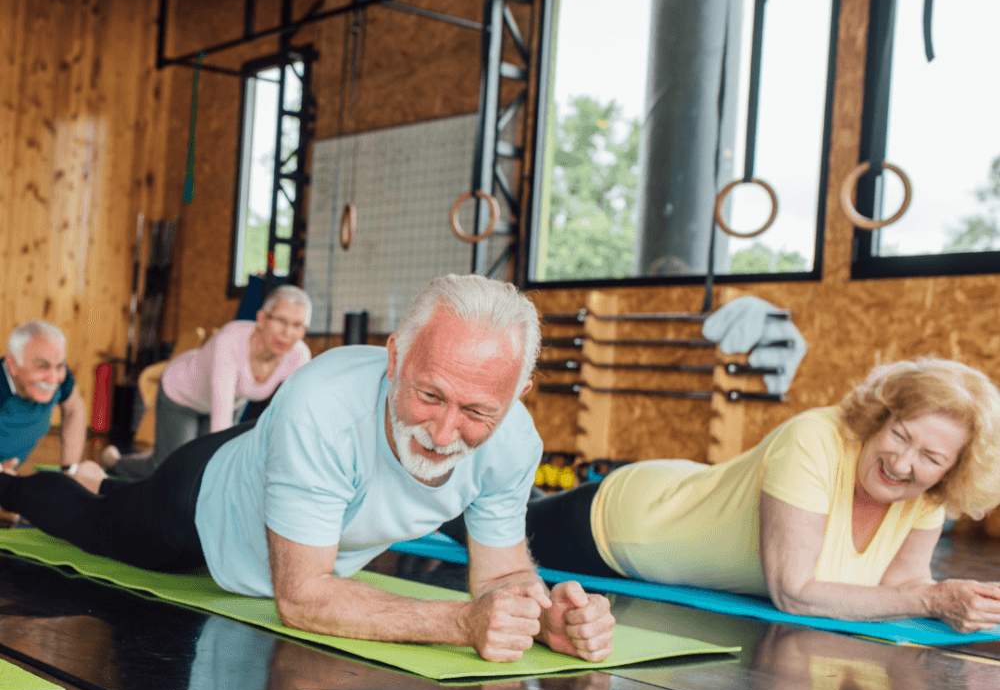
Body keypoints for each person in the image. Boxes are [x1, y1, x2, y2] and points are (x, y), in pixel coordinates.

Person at [0, 274, 615, 663]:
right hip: (202, 499)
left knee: (115, 492)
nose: (445, 434)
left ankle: (106, 476)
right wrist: (459, 622)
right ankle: (13, 485)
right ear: (395, 356)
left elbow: (502, 572)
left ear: (519, 394)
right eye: (429, 396)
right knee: (96, 521)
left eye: (478, 410)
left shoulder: (515, 442)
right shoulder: (323, 401)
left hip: (282, 456)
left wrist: (542, 617)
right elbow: (301, 597)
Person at [522, 357, 1000, 634]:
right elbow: (795, 592)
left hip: (687, 493)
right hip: (628, 524)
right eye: (899, 434)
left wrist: (959, 600)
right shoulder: (814, 438)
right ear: (880, 418)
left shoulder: (928, 497)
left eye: (931, 458)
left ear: (952, 470)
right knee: (479, 521)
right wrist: (933, 601)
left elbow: (906, 591)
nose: (902, 463)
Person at [102, 285, 313, 479]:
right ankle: (114, 462)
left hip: (231, 403)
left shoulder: (299, 355)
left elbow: (297, 412)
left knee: (201, 465)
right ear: (261, 318)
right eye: (281, 321)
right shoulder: (230, 340)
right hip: (182, 393)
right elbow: (220, 420)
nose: (288, 332)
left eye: (297, 325)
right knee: (173, 468)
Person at [0, 320, 86, 476]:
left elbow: (74, 408)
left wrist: (70, 471)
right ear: (12, 365)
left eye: (60, 366)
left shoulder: (61, 377)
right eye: (41, 365)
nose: (54, 379)